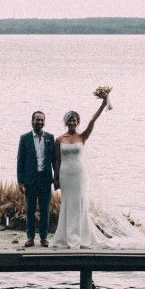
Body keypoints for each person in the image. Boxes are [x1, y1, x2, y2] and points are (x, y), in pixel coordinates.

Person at [49, 94, 108, 249]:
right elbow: (57, 160)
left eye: (74, 120)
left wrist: (103, 105)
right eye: (69, 120)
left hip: (79, 174)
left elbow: (92, 121)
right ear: (65, 122)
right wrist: (56, 179)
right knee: (67, 203)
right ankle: (66, 237)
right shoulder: (59, 140)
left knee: (80, 202)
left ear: (78, 122)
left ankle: (81, 236)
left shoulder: (82, 136)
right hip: (65, 174)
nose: (72, 122)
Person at [16, 109, 56, 249]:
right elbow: (20, 161)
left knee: (45, 210)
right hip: (30, 181)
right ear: (32, 121)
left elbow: (54, 160)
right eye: (37, 120)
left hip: (45, 180)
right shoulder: (24, 138)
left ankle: (44, 238)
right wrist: (20, 181)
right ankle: (30, 238)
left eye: (41, 120)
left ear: (44, 122)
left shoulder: (50, 138)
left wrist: (56, 178)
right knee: (30, 210)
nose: (39, 122)